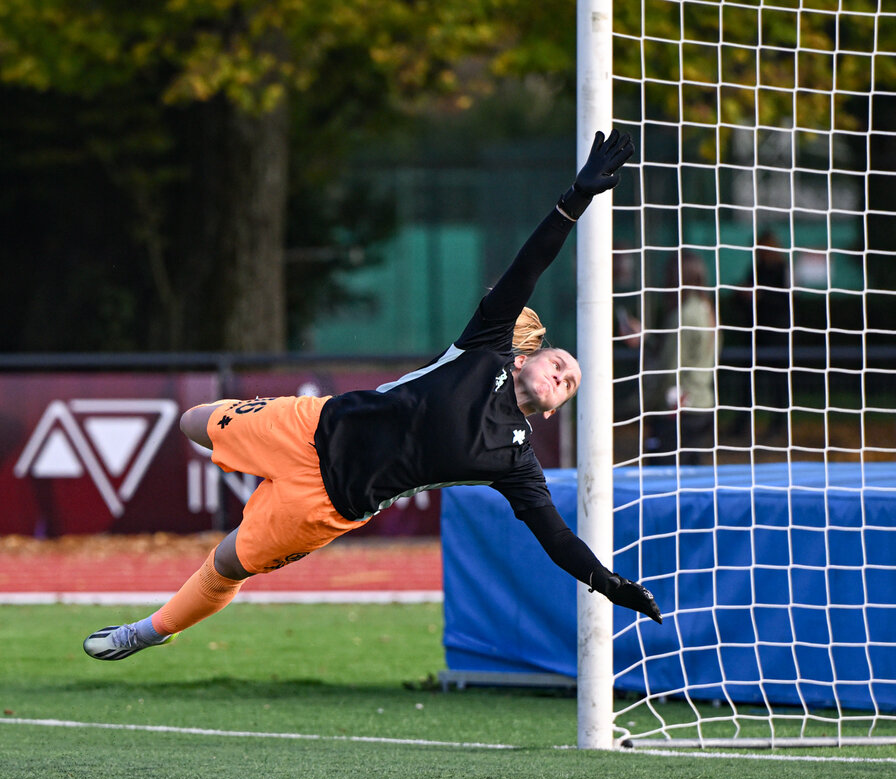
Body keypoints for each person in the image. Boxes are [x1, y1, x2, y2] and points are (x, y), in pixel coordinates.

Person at [83, 130, 662, 662]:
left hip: (326, 506)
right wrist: (573, 200)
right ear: (526, 356)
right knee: (192, 421)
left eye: (570, 384)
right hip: (309, 426)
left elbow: (556, 538)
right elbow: (528, 266)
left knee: (229, 564)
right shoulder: (484, 347)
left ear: (554, 410)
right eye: (560, 362)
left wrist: (607, 583)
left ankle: (148, 631)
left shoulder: (514, 460)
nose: (563, 375)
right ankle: (247, 474)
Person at [644, 251, 720, 466]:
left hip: (678, 408)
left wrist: (645, 402)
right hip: (702, 404)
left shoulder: (684, 315)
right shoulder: (706, 309)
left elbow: (670, 368)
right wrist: (646, 340)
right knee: (692, 474)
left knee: (663, 475)